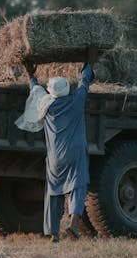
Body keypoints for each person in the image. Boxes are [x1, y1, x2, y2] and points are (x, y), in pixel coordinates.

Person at [24, 47, 98, 242]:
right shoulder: (76, 101)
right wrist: (89, 62)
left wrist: (30, 73)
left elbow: (35, 89)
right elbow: (84, 82)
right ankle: (73, 225)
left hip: (56, 157)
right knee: (78, 185)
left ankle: (53, 233)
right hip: (76, 153)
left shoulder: (45, 105)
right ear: (66, 90)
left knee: (53, 191)